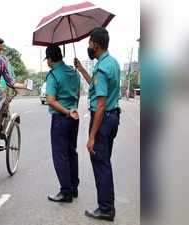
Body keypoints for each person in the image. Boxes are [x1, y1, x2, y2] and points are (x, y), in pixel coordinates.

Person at [74, 27, 121, 221]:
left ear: (96, 44)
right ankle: (107, 206)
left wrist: (92, 136)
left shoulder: (102, 68)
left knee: (100, 163)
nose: (88, 46)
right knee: (104, 162)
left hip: (103, 119)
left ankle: (106, 208)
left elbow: (100, 105)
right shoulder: (111, 63)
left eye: (90, 43)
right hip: (113, 117)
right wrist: (81, 68)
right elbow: (94, 85)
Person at [44, 44, 81, 203]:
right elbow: (78, 94)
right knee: (72, 152)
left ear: (50, 59)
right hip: (74, 117)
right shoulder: (74, 72)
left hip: (61, 118)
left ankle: (65, 192)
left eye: (47, 59)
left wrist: (65, 112)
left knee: (60, 155)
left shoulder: (53, 75)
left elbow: (50, 100)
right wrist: (72, 110)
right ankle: (73, 188)